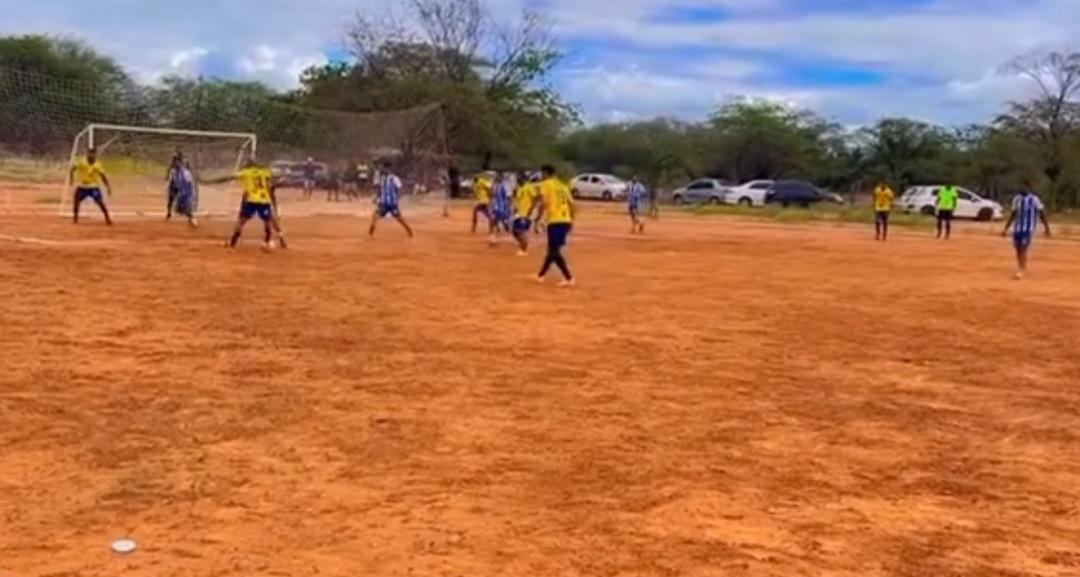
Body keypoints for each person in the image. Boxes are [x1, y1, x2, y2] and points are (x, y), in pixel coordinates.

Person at [205, 158, 288, 250]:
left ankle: (233, 243)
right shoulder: (264, 171)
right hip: (264, 200)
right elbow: (274, 178)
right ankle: (273, 240)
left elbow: (228, 177)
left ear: (248, 166)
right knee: (269, 220)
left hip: (252, 200)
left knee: (241, 221)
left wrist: (210, 181)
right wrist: (282, 179)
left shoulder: (246, 172)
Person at [533, 165, 575, 287]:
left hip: (555, 221)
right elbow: (572, 205)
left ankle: (569, 278)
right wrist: (571, 220)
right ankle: (541, 275)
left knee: (553, 252)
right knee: (552, 250)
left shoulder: (546, 184)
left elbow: (543, 203)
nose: (541, 176)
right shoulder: (562, 185)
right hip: (564, 220)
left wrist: (537, 220)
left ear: (546, 173)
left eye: (542, 173)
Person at [1002, 181, 1052, 280]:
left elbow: (1042, 214)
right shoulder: (1016, 199)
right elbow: (1013, 214)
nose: (1021, 189)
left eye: (1023, 187)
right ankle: (1021, 265)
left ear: (1028, 188)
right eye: (1020, 186)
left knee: (1024, 247)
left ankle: (1021, 269)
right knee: (1018, 248)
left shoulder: (1034, 200)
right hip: (1017, 228)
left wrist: (1047, 228)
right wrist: (1006, 228)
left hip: (1028, 228)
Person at [369, 162, 415, 238]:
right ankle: (370, 234)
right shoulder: (381, 179)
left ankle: (409, 230)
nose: (382, 170)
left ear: (388, 169)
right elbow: (379, 189)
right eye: (382, 168)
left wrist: (398, 197)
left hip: (392, 203)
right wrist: (376, 197)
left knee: (399, 218)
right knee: (374, 216)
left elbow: (400, 188)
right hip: (383, 203)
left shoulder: (394, 178)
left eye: (384, 168)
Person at [70, 147, 114, 225]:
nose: (91, 155)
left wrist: (108, 186)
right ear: (87, 154)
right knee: (76, 202)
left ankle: (107, 219)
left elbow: (102, 176)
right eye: (89, 153)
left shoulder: (98, 165)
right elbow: (73, 169)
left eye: (93, 154)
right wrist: (71, 179)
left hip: (93, 187)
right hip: (82, 186)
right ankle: (75, 219)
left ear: (95, 155)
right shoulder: (81, 162)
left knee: (100, 202)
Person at [511, 171, 536, 256]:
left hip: (525, 213)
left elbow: (534, 199)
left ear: (524, 178)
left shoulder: (529, 187)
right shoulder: (519, 188)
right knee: (514, 232)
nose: (517, 180)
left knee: (521, 231)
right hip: (518, 213)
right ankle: (522, 243)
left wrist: (531, 210)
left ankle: (523, 250)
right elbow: (518, 200)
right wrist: (515, 209)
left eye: (519, 178)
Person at [171, 161, 199, 228]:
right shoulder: (175, 173)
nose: (177, 167)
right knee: (178, 210)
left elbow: (189, 183)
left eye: (178, 166)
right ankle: (190, 218)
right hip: (181, 194)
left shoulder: (186, 173)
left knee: (187, 209)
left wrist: (191, 194)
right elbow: (176, 184)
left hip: (187, 194)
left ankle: (193, 220)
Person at [489, 172, 512, 243]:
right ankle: (492, 236)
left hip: (503, 206)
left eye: (498, 176)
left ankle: (511, 234)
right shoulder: (494, 185)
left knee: (505, 223)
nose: (496, 177)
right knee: (492, 220)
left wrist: (509, 207)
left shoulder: (505, 185)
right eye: (496, 176)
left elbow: (509, 197)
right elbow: (492, 195)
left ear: (501, 177)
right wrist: (491, 203)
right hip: (496, 206)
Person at [165, 150, 184, 220]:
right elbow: (168, 176)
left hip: (178, 185)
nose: (176, 162)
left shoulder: (181, 167)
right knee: (171, 200)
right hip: (173, 185)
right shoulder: (172, 168)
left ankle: (180, 210)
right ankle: (169, 213)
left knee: (180, 199)